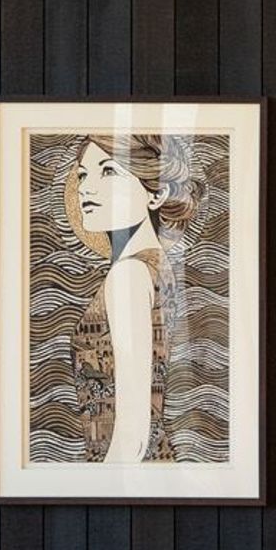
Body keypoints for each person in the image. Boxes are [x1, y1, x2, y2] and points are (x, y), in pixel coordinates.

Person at [63, 136, 190, 466]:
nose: (87, 189)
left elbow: (132, 431)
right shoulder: (155, 265)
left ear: (156, 193)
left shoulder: (129, 274)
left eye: (108, 172)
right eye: (82, 175)